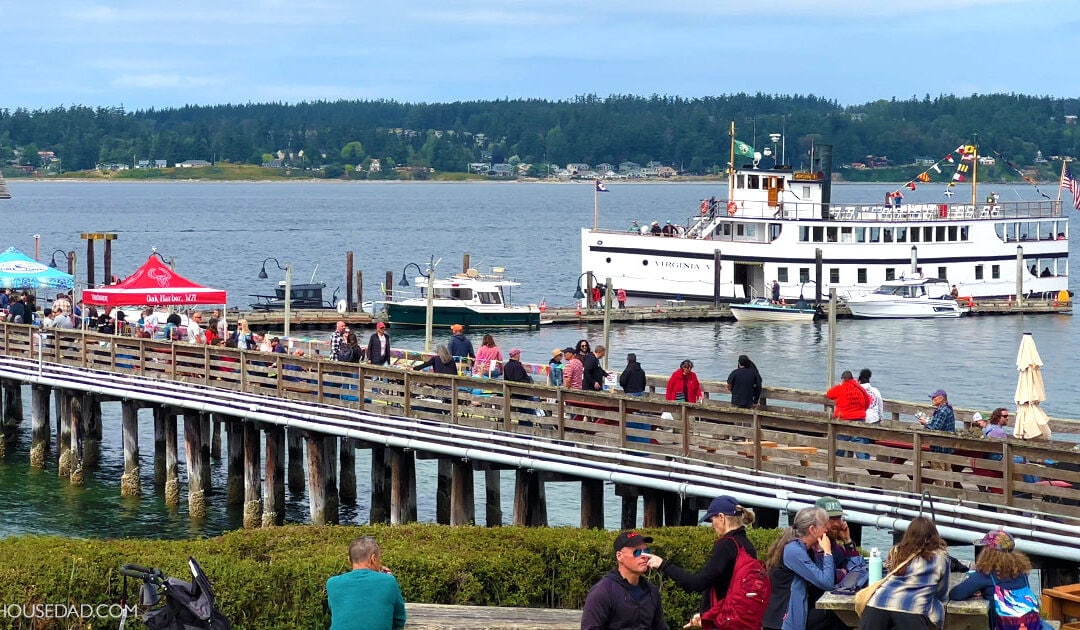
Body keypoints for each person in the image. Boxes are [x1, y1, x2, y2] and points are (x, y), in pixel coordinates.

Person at [645, 495, 761, 629]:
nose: (712, 525)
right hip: (742, 618)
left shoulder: (726, 545)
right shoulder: (747, 545)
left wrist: (663, 565)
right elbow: (730, 588)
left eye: (712, 520)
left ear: (722, 517)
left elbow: (698, 583)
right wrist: (707, 614)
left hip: (725, 622)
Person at [858, 516, 949, 630]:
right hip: (911, 610)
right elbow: (941, 591)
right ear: (934, 535)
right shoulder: (940, 557)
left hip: (876, 605)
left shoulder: (896, 551)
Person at [762, 506, 842, 630]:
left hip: (796, 613)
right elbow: (827, 583)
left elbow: (824, 579)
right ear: (812, 529)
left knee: (835, 618)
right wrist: (827, 552)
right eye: (824, 526)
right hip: (783, 621)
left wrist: (821, 552)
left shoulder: (805, 549)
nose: (826, 530)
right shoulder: (793, 551)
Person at [949, 530, 1042, 630]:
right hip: (1031, 625)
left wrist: (978, 590)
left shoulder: (986, 575)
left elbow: (955, 594)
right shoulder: (1021, 572)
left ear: (988, 552)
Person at [581, 531, 666, 630]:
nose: (644, 556)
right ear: (619, 556)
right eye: (637, 552)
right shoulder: (603, 592)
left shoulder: (651, 591)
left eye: (646, 551)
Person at [326, 536, 406, 630]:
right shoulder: (389, 581)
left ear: (349, 560)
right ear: (373, 559)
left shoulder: (332, 583)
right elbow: (399, 619)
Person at [826, 370, 871, 459]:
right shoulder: (859, 388)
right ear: (852, 378)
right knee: (858, 441)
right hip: (859, 418)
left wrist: (839, 385)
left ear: (843, 379)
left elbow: (829, 394)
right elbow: (868, 401)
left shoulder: (841, 387)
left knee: (841, 441)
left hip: (843, 418)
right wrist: (861, 411)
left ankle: (837, 460)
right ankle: (863, 461)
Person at [919, 388, 956, 483]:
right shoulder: (947, 408)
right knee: (947, 470)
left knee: (938, 471)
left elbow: (935, 428)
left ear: (941, 398)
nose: (932, 399)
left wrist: (925, 423)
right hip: (947, 446)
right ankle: (948, 490)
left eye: (934, 398)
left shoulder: (942, 411)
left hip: (940, 447)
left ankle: (940, 491)